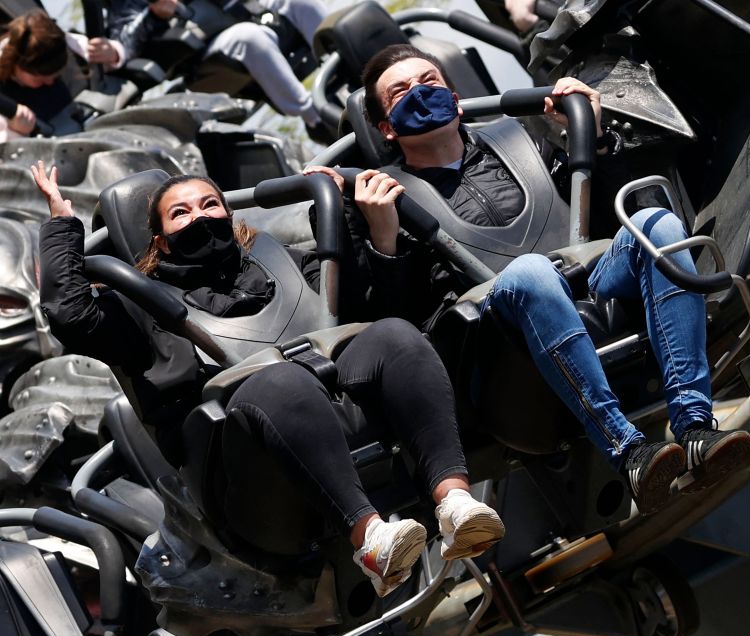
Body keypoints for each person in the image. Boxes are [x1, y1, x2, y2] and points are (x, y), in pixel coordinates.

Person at [313, 44, 750, 517]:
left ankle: (694, 428)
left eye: (430, 83)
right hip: (487, 342)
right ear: (385, 128)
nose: (420, 94)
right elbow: (395, 330)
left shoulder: (523, 142)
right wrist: (383, 239)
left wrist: (593, 137)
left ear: (455, 98)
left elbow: (605, 215)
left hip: (579, 284)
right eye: (401, 93)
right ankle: (628, 451)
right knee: (531, 272)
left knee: (658, 226)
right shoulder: (378, 198)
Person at [32, 161, 504, 597]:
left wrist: (343, 212)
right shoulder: (139, 307)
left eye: (209, 204)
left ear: (230, 215)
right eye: (180, 213)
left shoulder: (281, 263)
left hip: (336, 409)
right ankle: (371, 541)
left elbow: (364, 304)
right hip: (245, 473)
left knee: (397, 336)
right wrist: (60, 227)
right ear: (159, 240)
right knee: (279, 380)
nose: (199, 217)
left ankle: (456, 502)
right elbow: (70, 315)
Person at [106, 0, 328, 134]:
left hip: (249, 11)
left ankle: (348, 64)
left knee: (300, 2)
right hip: (203, 45)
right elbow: (125, 40)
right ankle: (318, 119)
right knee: (251, 38)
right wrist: (154, 14)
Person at [0, 11, 126, 141]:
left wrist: (113, 53)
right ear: (15, 66)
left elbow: (109, 59)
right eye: (40, 80)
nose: (50, 83)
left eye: (56, 76)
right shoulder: (4, 104)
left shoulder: (60, 43)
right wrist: (15, 131)